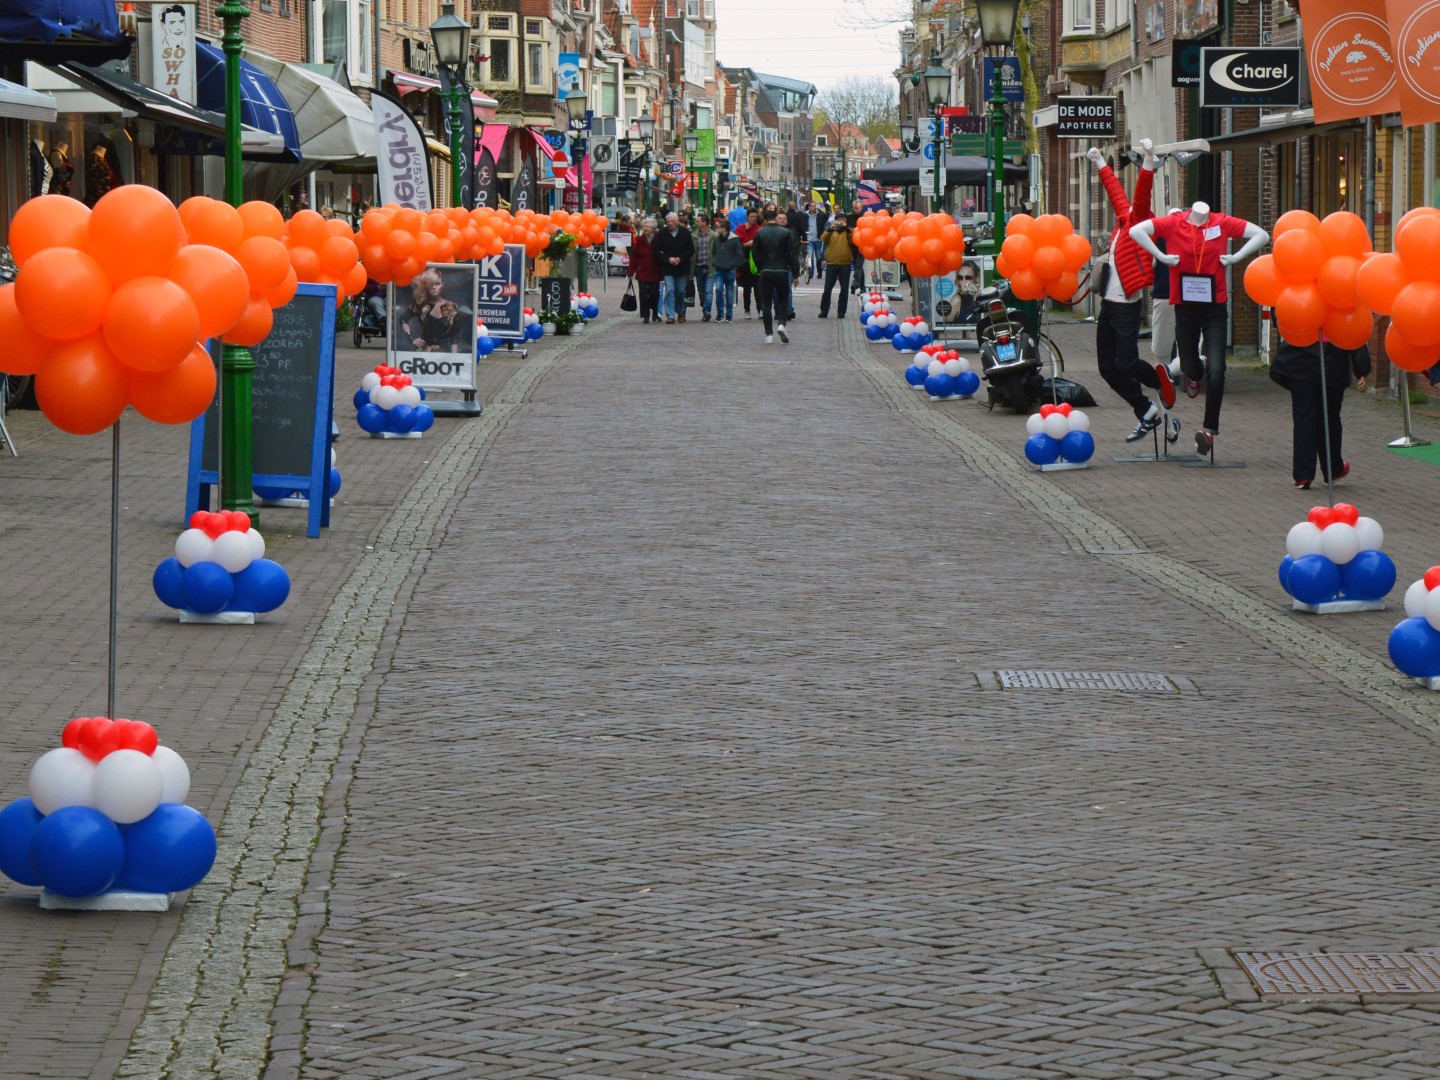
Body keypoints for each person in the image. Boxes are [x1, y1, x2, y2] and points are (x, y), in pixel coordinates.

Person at [1131, 202, 1269, 457]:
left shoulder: (1221, 223)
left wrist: (1236, 257)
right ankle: (1196, 370)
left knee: (1217, 371)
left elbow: (1262, 234)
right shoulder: (1174, 224)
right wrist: (1161, 257)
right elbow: (1136, 231)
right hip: (1185, 306)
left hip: (1215, 307)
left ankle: (1208, 431)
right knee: (1188, 366)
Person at [1087, 139, 1179, 445]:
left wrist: (1150, 159)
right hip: (1109, 306)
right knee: (1107, 368)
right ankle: (1146, 411)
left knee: (1126, 364)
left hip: (1127, 305)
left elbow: (1141, 193)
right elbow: (1116, 191)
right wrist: (1100, 161)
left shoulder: (1139, 221)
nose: (1124, 211)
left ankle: (1161, 381)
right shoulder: (1123, 221)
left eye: (1131, 211)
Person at [1270, 335, 1367, 489]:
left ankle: (1303, 475)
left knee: (1304, 418)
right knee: (1329, 419)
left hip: (1299, 360)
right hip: (1332, 363)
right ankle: (1333, 469)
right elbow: (1352, 328)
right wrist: (1361, 367)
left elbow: (1280, 317)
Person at [751, 207, 794, 344]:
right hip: (781, 270)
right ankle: (781, 324)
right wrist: (796, 271)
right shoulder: (785, 233)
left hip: (766, 270)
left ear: (764, 219)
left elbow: (754, 253)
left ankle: (768, 334)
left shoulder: (759, 233)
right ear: (775, 218)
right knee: (782, 299)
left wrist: (760, 267)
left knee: (766, 303)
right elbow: (791, 254)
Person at [652, 211, 695, 324]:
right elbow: (656, 250)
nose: (670, 223)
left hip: (682, 266)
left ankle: (680, 312)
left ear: (677, 221)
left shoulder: (685, 232)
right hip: (668, 267)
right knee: (670, 290)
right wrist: (668, 259)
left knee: (680, 291)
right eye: (668, 222)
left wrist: (680, 259)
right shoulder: (662, 233)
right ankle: (670, 314)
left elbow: (691, 250)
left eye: (672, 221)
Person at [818, 213, 854, 318]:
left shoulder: (849, 231)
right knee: (827, 288)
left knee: (844, 289)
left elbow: (853, 242)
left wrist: (846, 229)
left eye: (843, 220)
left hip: (845, 264)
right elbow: (823, 238)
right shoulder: (831, 231)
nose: (841, 222)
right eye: (839, 220)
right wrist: (830, 229)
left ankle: (841, 312)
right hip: (832, 263)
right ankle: (824, 311)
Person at [628, 218, 663, 325]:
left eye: (648, 226)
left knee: (654, 293)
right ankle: (645, 315)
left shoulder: (658, 239)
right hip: (642, 271)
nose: (645, 228)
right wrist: (631, 271)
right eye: (644, 226)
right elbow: (634, 256)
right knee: (643, 294)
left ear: (653, 229)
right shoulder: (639, 240)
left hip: (655, 271)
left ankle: (655, 312)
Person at [711, 218, 742, 323]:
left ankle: (729, 315)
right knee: (719, 290)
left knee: (729, 292)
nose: (717, 229)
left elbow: (738, 255)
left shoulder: (734, 239)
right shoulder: (717, 239)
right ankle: (720, 314)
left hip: (730, 269)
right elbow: (713, 253)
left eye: (718, 227)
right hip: (719, 268)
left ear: (724, 228)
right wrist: (715, 262)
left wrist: (731, 264)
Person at [736, 207, 762, 319]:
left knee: (757, 287)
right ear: (747, 217)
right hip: (744, 261)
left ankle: (760, 309)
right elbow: (737, 243)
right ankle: (747, 309)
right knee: (746, 288)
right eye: (751, 216)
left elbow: (759, 244)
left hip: (755, 261)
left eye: (755, 217)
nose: (753, 219)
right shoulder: (740, 228)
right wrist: (748, 244)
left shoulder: (759, 229)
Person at [777, 210, 802, 322]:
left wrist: (796, 269)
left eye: (784, 218)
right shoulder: (772, 231)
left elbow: (795, 251)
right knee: (775, 290)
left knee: (787, 288)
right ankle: (779, 310)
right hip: (775, 264)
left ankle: (788, 310)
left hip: (787, 264)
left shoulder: (792, 231)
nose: (782, 220)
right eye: (780, 218)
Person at [693, 215, 715, 322]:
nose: (696, 223)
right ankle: (704, 306)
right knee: (701, 291)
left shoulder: (713, 236)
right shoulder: (694, 236)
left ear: (704, 222)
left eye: (698, 221)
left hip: (710, 267)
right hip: (698, 267)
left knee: (708, 290)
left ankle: (707, 311)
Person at [804, 201, 829, 281]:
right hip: (809, 239)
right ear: (809, 207)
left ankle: (819, 272)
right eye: (812, 206)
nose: (814, 208)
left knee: (818, 257)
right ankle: (811, 273)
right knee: (810, 256)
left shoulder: (820, 215)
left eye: (815, 206)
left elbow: (826, 216)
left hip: (818, 239)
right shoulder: (805, 215)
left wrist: (827, 206)